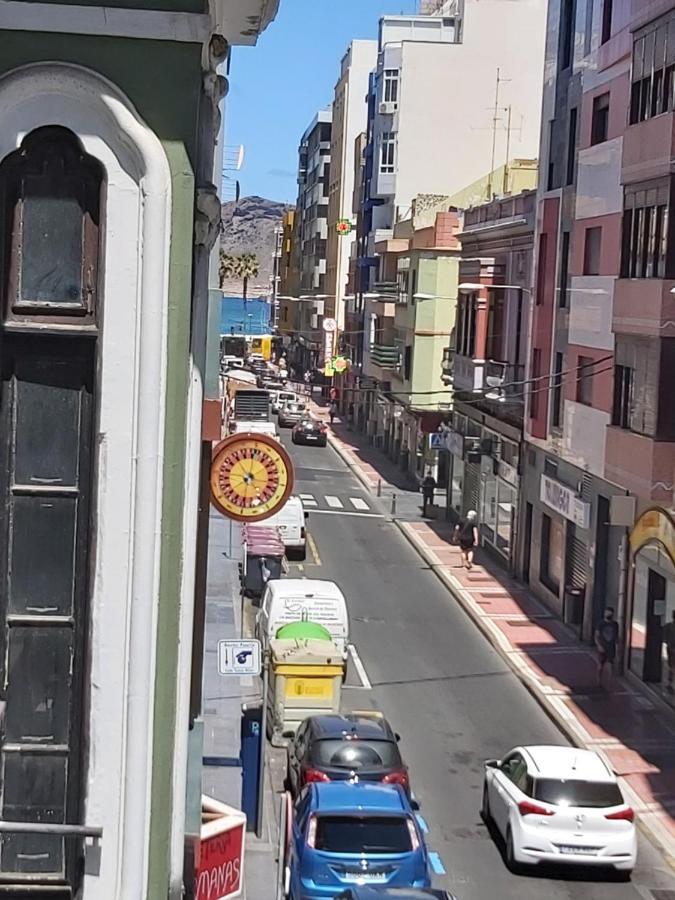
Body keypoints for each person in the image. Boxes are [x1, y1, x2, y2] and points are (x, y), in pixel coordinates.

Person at [594, 606, 619, 687]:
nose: (608, 614)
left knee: (610, 665)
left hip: (611, 647)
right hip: (603, 647)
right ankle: (598, 681)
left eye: (610, 612)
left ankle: (610, 682)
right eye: (607, 612)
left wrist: (618, 646)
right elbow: (596, 636)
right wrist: (599, 646)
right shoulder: (601, 624)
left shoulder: (615, 624)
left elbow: (616, 636)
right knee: (601, 665)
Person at [663, 610, 675, 690]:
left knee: (671, 665)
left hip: (671, 648)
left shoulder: (668, 626)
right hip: (671, 648)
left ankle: (670, 682)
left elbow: (664, 638)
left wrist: (669, 643)